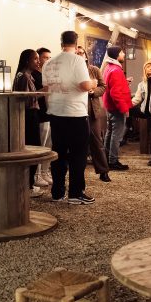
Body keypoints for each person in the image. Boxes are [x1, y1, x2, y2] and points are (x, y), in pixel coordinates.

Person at [42, 31, 97, 205]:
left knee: (58, 153)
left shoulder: (49, 63)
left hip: (55, 112)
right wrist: (93, 83)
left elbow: (46, 89)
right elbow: (84, 85)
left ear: (61, 42)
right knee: (78, 155)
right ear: (76, 42)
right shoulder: (77, 60)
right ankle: (75, 193)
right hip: (75, 113)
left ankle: (57, 192)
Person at [13, 49, 45, 197]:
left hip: (28, 115)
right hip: (29, 115)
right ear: (27, 61)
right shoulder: (24, 77)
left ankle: (28, 183)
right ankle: (29, 185)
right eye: (35, 59)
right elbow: (26, 99)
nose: (38, 62)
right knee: (33, 149)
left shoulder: (25, 76)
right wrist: (43, 92)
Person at [76, 46, 111, 182]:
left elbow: (103, 86)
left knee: (97, 142)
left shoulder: (94, 70)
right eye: (77, 53)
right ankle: (78, 174)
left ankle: (103, 171)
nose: (79, 55)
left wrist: (93, 92)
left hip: (92, 111)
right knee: (78, 143)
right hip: (76, 111)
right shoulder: (73, 70)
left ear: (85, 56)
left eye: (81, 53)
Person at [102, 45, 132, 170]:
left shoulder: (109, 68)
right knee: (117, 135)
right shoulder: (116, 70)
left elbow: (112, 87)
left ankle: (106, 159)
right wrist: (124, 109)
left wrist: (124, 82)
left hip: (109, 106)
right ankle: (113, 161)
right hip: (116, 108)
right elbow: (115, 93)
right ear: (117, 55)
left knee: (110, 133)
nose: (124, 54)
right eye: (122, 52)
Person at [131, 61, 151, 166]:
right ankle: (130, 130)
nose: (150, 68)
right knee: (129, 110)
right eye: (148, 67)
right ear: (144, 70)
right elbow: (137, 99)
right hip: (145, 111)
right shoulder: (142, 84)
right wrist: (126, 105)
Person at [33, 47, 54, 188]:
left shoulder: (48, 73)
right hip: (40, 114)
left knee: (48, 145)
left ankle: (45, 171)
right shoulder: (34, 75)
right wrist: (46, 90)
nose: (48, 60)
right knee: (40, 145)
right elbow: (32, 95)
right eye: (45, 57)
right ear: (38, 59)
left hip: (50, 112)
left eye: (49, 58)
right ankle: (37, 174)